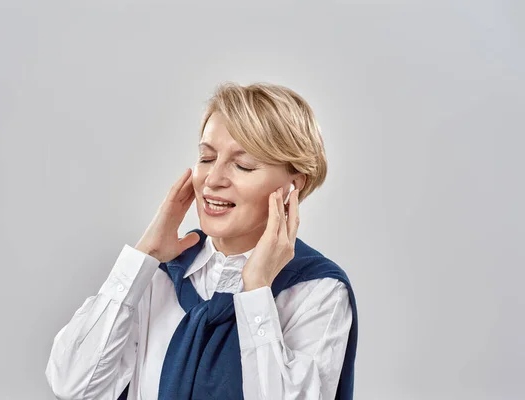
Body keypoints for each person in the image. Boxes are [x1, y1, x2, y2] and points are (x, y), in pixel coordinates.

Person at [45, 82, 358, 400]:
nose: (213, 179)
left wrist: (258, 290)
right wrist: (144, 255)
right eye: (207, 158)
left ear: (293, 187)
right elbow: (73, 387)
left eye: (243, 165)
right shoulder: (159, 276)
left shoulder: (317, 292)